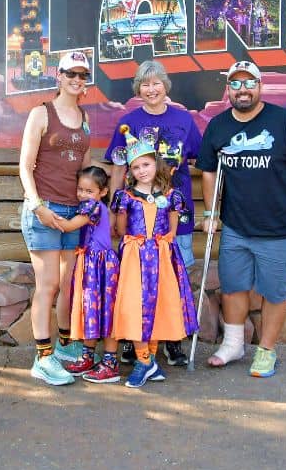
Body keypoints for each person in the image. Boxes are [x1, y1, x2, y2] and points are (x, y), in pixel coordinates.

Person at [197, 60, 286, 378]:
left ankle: (266, 351)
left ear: (260, 85)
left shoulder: (285, 121)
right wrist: (212, 212)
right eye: (236, 84)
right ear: (228, 89)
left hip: (280, 227)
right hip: (237, 226)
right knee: (233, 287)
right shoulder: (219, 125)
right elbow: (210, 171)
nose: (243, 89)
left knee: (275, 291)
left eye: (248, 83)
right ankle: (234, 345)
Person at [104, 60, 202, 367]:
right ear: (137, 89)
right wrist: (113, 207)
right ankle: (135, 340)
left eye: (156, 83)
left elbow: (200, 159)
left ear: (166, 86)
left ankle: (172, 341)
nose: (151, 89)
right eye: (144, 84)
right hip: (136, 220)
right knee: (136, 283)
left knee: (172, 279)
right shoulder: (129, 121)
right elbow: (119, 167)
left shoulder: (184, 120)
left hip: (172, 214)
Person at [87, 126, 198, 388]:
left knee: (158, 304)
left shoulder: (171, 195)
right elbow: (122, 228)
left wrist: (166, 239)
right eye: (135, 168)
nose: (142, 171)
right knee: (134, 304)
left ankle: (148, 362)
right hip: (135, 257)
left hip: (161, 255)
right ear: (130, 172)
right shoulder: (126, 197)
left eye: (146, 164)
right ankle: (145, 360)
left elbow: (173, 223)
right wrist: (136, 244)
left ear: (155, 164)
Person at [19, 51, 92, 386]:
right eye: (71, 74)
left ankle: (63, 345)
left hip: (73, 213)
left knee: (66, 285)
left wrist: (90, 205)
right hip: (44, 210)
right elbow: (25, 165)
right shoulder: (41, 113)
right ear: (58, 76)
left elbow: (85, 171)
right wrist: (37, 207)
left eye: (82, 75)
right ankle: (43, 357)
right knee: (46, 285)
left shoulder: (84, 118)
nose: (77, 80)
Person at [45, 166, 119, 376]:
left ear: (102, 192)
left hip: (101, 265)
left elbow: (69, 226)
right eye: (80, 190)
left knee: (106, 311)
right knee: (91, 310)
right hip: (90, 263)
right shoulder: (90, 205)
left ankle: (110, 361)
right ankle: (88, 356)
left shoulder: (93, 207)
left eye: (89, 191)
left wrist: (44, 213)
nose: (83, 195)